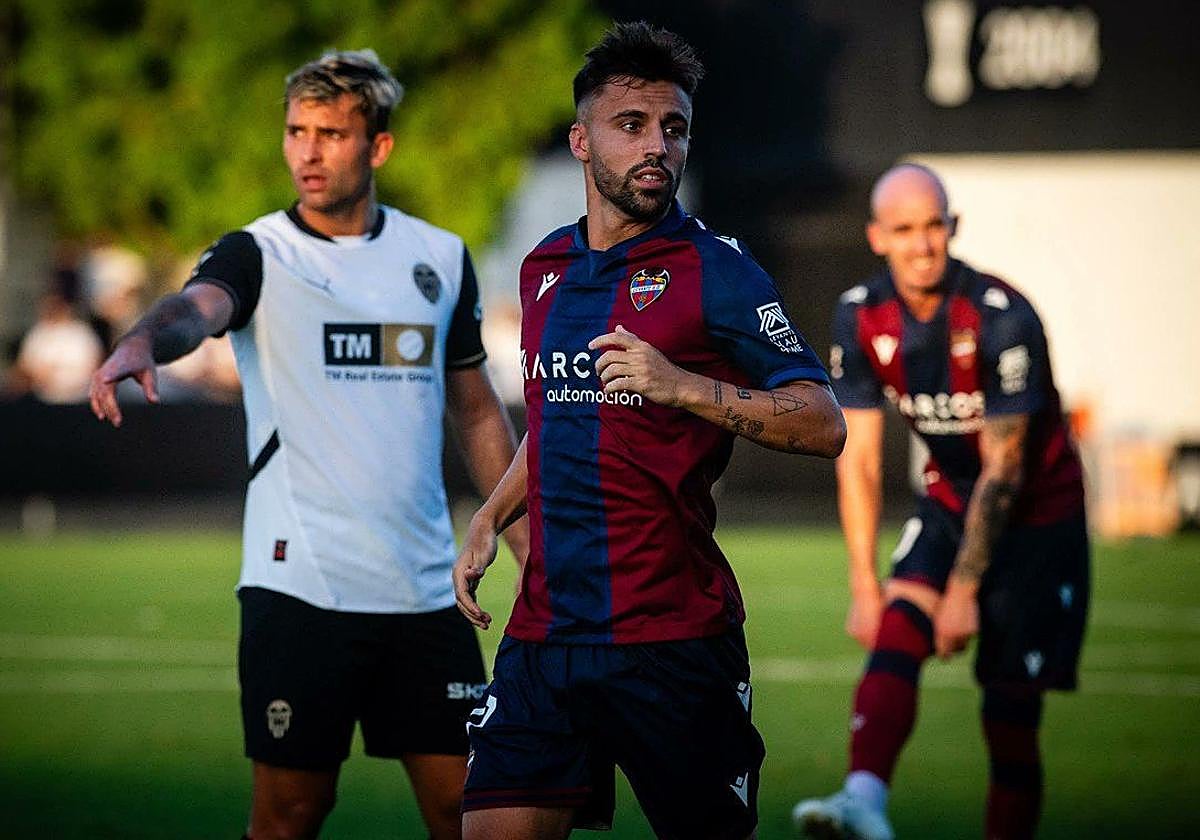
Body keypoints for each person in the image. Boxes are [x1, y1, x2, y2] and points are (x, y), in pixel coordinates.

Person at [88, 50, 526, 840]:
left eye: (330, 132)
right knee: (291, 813)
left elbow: (477, 413)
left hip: (427, 590)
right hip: (300, 591)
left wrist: (531, 549)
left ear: (379, 146)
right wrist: (143, 343)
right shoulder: (258, 252)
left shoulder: (439, 256)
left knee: (474, 812)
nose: (308, 152)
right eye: (296, 131)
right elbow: (198, 307)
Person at [452, 21, 846, 840]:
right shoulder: (542, 270)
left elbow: (824, 422)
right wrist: (493, 514)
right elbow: (561, 420)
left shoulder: (720, 272)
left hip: (673, 642)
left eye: (674, 128)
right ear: (581, 140)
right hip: (545, 637)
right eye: (631, 125)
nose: (657, 146)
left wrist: (684, 386)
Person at [792, 164, 1090, 840]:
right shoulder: (859, 313)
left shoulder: (1003, 316)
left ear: (952, 228)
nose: (921, 244)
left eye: (933, 226)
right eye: (904, 230)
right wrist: (863, 585)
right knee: (896, 623)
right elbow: (860, 458)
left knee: (1009, 714)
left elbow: (1007, 467)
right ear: (877, 237)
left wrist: (964, 589)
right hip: (952, 496)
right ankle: (863, 801)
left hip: (1038, 515)